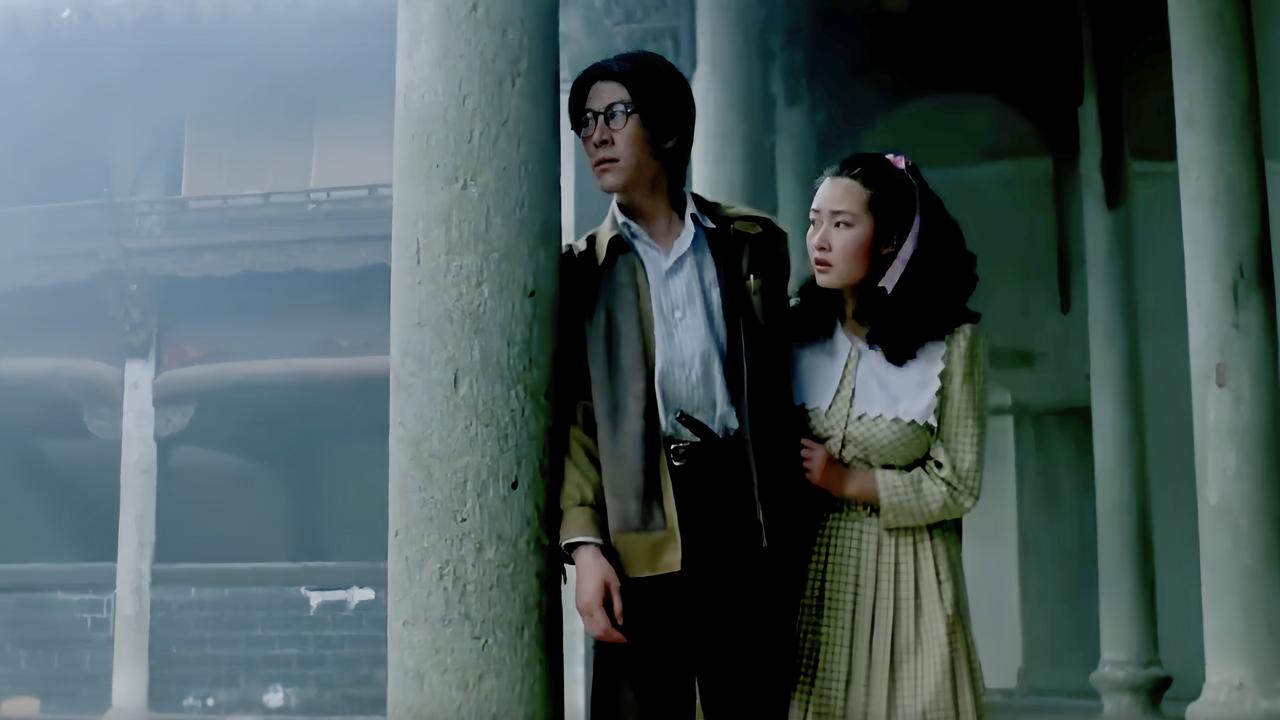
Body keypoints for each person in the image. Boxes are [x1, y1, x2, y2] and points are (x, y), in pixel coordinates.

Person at [556, 50, 804, 720]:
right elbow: (577, 420)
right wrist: (585, 547)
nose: (596, 136)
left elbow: (784, 379)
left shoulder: (751, 244)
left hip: (743, 510)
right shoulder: (584, 272)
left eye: (615, 115)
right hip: (642, 511)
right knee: (640, 705)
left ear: (665, 128)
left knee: (752, 701)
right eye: (585, 123)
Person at [788, 152, 988, 719]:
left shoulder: (953, 344)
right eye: (814, 221)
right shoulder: (793, 330)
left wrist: (848, 481)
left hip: (912, 570)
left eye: (842, 223)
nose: (820, 239)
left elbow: (959, 482)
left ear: (889, 241)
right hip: (813, 570)